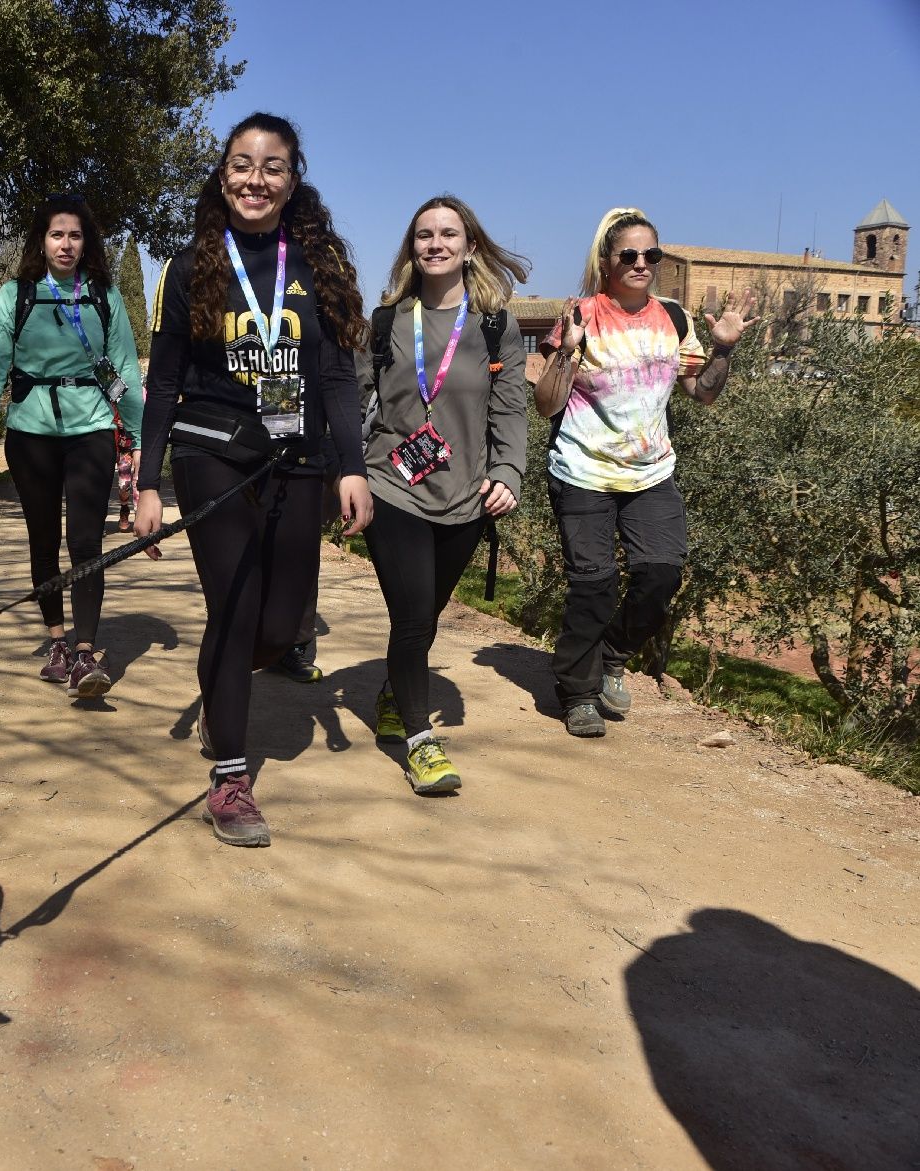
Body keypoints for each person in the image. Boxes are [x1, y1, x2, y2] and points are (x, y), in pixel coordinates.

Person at [133, 111, 371, 848]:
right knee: (233, 611)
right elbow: (165, 382)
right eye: (242, 164)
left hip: (298, 461)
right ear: (223, 173)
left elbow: (335, 377)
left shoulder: (321, 266)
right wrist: (147, 482)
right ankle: (230, 777)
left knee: (276, 626)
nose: (255, 179)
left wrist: (351, 467)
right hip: (212, 453)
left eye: (272, 166)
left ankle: (218, 698)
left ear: (294, 178)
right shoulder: (188, 266)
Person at [535, 207, 757, 737]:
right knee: (593, 582)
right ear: (608, 261)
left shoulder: (673, 318)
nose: (641, 263)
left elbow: (702, 394)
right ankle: (578, 691)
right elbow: (546, 404)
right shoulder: (581, 315)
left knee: (661, 571)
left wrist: (723, 347)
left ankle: (614, 652)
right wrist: (565, 354)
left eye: (650, 255)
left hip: (651, 473)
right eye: (629, 254)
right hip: (583, 469)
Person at [361, 196, 529, 794]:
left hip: (465, 498)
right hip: (392, 487)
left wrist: (509, 472)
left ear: (470, 246)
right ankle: (419, 740)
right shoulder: (384, 322)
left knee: (425, 617)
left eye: (448, 234)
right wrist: (342, 474)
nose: (436, 244)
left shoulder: (495, 326)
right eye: (424, 235)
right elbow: (350, 398)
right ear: (412, 248)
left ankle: (390, 692)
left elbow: (511, 411)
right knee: (411, 619)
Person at [0, 194, 146, 700]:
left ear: (86, 242)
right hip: (30, 433)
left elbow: (127, 370)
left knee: (85, 542)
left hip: (90, 428)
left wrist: (133, 439)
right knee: (43, 540)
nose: (66, 244)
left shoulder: (103, 295)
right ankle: (57, 644)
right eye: (56, 235)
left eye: (75, 235)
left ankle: (86, 653)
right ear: (41, 241)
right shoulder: (15, 294)